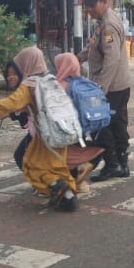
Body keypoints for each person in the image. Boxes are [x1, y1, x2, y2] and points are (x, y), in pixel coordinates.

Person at [0, 46, 79, 212]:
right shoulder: (51, 80)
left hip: (45, 137)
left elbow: (13, 102)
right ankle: (66, 197)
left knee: (33, 165)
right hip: (61, 131)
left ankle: (64, 194)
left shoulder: (30, 84)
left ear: (27, 64)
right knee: (56, 167)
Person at [78, 0, 132, 182]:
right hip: (117, 85)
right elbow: (92, 45)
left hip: (112, 87)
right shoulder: (102, 21)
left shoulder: (108, 24)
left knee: (101, 125)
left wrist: (100, 89)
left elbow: (112, 60)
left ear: (104, 2)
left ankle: (113, 164)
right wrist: (78, 58)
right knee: (117, 124)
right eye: (87, 6)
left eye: (93, 5)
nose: (89, 10)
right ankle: (121, 164)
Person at [53, 51, 98, 195]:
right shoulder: (87, 84)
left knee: (65, 156)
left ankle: (68, 184)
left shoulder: (58, 85)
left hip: (65, 129)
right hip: (85, 128)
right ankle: (81, 182)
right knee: (82, 152)